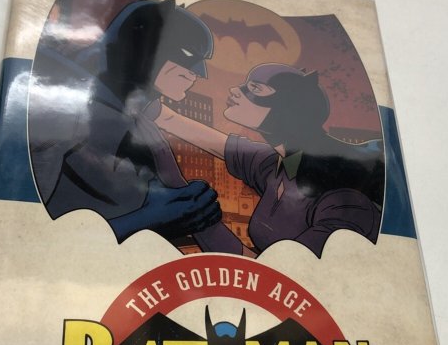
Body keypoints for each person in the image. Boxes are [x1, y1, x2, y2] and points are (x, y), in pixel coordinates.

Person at [29, 0, 244, 254]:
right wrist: (148, 221)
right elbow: (32, 228)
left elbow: (174, 130)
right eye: (186, 59)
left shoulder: (139, 119)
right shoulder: (67, 116)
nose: (196, 75)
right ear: (146, 51)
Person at [156, 63, 384, 257]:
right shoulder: (281, 163)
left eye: (254, 88)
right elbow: (172, 121)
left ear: (288, 107)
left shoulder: (345, 201)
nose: (235, 91)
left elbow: (276, 276)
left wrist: (201, 220)